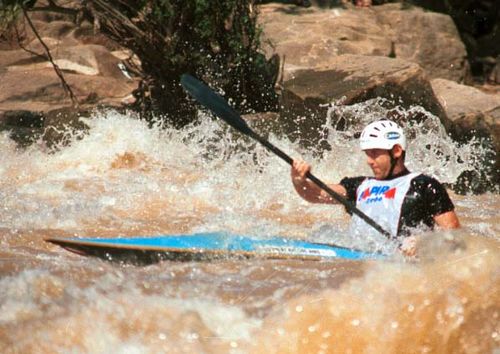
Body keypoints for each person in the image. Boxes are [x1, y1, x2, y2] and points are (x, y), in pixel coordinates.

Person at [291, 120, 460, 256]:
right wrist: (299, 180)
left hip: (400, 265)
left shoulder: (425, 186)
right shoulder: (359, 185)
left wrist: (423, 242)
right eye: (367, 153)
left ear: (396, 151)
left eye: (374, 153)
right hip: (358, 258)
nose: (369, 160)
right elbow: (315, 195)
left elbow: (454, 237)